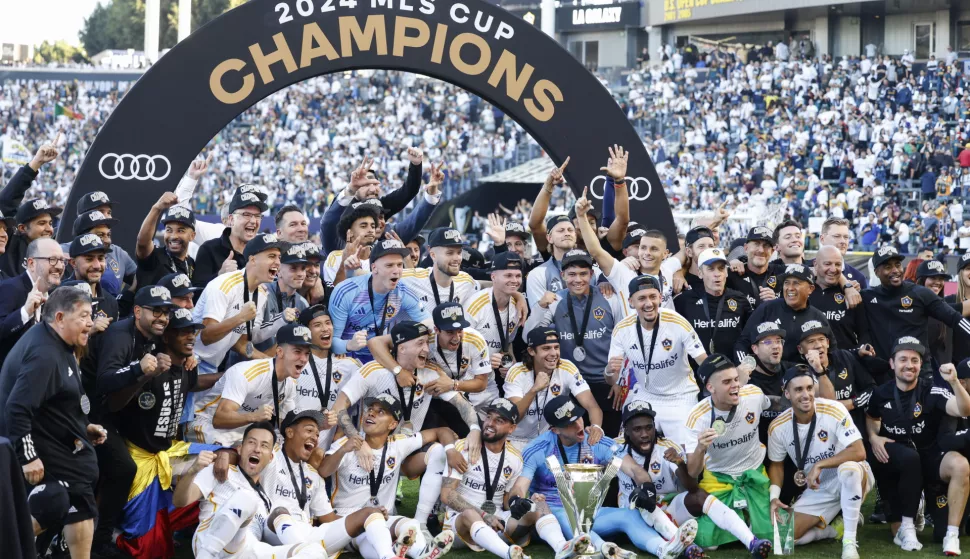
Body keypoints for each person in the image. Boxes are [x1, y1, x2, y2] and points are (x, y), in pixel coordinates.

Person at [510, 395, 697, 559]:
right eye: (569, 424)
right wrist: (516, 500)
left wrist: (646, 487)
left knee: (629, 515)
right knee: (571, 517)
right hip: (553, 512)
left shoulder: (597, 441)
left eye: (579, 418)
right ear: (555, 430)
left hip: (591, 512)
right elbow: (520, 485)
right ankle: (603, 550)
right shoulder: (538, 448)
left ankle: (662, 549)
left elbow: (634, 469)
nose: (579, 426)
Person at [341, 321, 483, 531]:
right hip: (371, 451)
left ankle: (421, 524)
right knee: (369, 518)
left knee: (440, 452)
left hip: (406, 448)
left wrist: (475, 429)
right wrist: (357, 441)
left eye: (427, 343)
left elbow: (463, 405)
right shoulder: (373, 370)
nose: (427, 349)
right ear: (402, 346)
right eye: (421, 343)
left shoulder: (430, 374)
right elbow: (338, 408)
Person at [0, 287, 105, 559]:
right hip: (43, 453)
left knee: (78, 504)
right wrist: (28, 457)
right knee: (54, 502)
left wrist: (83, 427)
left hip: (64, 451)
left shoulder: (60, 344)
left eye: (91, 315)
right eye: (83, 316)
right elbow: (17, 408)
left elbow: (56, 401)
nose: (90, 323)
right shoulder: (44, 354)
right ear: (59, 317)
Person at [113, 307, 221, 558]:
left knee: (229, 457)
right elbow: (114, 404)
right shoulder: (148, 367)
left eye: (192, 332)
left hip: (170, 450)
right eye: (183, 332)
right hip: (140, 458)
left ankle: (180, 528)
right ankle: (116, 531)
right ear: (166, 337)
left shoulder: (188, 366)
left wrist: (232, 374)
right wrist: (143, 375)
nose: (190, 337)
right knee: (148, 548)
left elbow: (195, 383)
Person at [617, 400, 768, 559]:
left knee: (699, 496)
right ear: (626, 431)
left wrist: (679, 463)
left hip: (669, 509)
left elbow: (692, 487)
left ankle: (752, 542)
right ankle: (688, 548)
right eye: (637, 429)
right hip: (633, 516)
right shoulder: (616, 448)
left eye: (649, 427)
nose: (645, 434)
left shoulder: (667, 447)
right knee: (646, 502)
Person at [87, 285, 176, 554]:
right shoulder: (120, 335)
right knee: (123, 467)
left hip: (118, 412)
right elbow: (104, 382)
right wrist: (138, 369)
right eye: (156, 311)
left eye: (166, 313)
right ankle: (100, 540)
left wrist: (189, 359)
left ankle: (113, 532)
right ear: (137, 311)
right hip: (92, 412)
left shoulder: (153, 334)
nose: (162, 318)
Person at [319, 393, 457, 559]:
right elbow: (324, 471)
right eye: (370, 409)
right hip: (346, 521)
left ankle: (421, 553)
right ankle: (394, 554)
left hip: (383, 519)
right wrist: (343, 450)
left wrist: (451, 450)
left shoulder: (397, 443)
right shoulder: (346, 444)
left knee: (410, 524)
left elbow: (441, 431)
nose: (371, 413)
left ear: (392, 424)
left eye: (381, 412)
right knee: (369, 536)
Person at [866, 337, 970, 553]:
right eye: (903, 359)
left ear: (920, 365)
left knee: (960, 466)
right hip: (900, 463)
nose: (909, 365)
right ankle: (908, 522)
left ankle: (951, 536)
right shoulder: (881, 393)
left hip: (931, 459)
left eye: (914, 360)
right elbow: (872, 417)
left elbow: (963, 410)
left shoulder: (932, 390)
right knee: (897, 534)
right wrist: (874, 437)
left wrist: (954, 382)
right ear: (892, 363)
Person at [261, 409, 409, 559]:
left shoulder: (313, 474)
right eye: (309, 430)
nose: (314, 437)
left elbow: (329, 519)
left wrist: (366, 520)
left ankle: (388, 556)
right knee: (280, 512)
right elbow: (246, 454)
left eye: (317, 434)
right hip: (273, 528)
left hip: (306, 533)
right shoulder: (270, 458)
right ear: (290, 432)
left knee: (369, 512)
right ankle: (306, 551)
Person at [172, 422, 325, 559]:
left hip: (247, 550)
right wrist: (193, 471)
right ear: (239, 449)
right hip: (210, 539)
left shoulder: (266, 500)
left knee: (315, 551)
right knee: (245, 498)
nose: (257, 449)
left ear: (271, 457)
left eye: (264, 445)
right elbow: (180, 501)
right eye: (252, 443)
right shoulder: (222, 471)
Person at [767, 364, 872, 559]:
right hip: (818, 487)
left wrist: (819, 465)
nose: (806, 394)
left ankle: (849, 544)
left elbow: (859, 452)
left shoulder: (833, 409)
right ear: (787, 394)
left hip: (850, 475)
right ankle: (834, 530)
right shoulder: (778, 427)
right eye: (798, 390)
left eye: (809, 388)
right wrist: (774, 497)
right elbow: (776, 464)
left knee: (849, 470)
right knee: (783, 538)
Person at [524, 249, 626, 435]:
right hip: (572, 384)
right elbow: (528, 336)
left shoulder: (610, 298)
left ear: (592, 274)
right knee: (573, 440)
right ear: (563, 276)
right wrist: (540, 306)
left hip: (607, 383)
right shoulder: (555, 301)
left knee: (606, 439)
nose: (577, 280)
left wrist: (619, 379)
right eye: (571, 274)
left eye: (583, 274)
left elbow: (624, 338)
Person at [684, 354, 776, 551]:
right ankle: (742, 518)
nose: (735, 385)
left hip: (753, 474)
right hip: (719, 478)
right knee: (709, 543)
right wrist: (701, 448)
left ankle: (749, 518)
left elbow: (773, 404)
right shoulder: (697, 417)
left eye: (736, 379)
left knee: (770, 535)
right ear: (710, 388)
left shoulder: (753, 395)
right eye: (727, 382)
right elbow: (692, 472)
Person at [607, 275, 707, 445]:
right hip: (645, 395)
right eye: (642, 298)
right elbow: (611, 379)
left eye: (653, 297)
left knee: (686, 452)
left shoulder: (677, 322)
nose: (648, 303)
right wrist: (609, 371)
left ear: (660, 298)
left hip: (680, 396)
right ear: (631, 301)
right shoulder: (622, 329)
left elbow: (703, 361)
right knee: (626, 448)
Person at [187, 323, 319, 445]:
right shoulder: (248, 373)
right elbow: (219, 419)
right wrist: (254, 416)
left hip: (241, 432)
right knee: (230, 454)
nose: (303, 359)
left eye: (307, 354)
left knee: (279, 449)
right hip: (205, 422)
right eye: (297, 352)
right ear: (279, 352)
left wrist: (314, 427)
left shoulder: (289, 384)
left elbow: (287, 424)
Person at [438, 399, 536, 559]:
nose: (490, 423)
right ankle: (508, 553)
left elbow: (506, 500)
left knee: (537, 511)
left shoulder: (515, 457)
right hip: (460, 523)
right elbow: (447, 495)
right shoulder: (464, 448)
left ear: (512, 428)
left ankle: (564, 546)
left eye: (499, 420)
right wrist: (484, 515)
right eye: (489, 417)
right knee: (470, 514)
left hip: (496, 521)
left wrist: (518, 503)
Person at [861, 245, 970, 368]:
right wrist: (847, 287)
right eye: (888, 267)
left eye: (897, 265)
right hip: (883, 374)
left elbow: (954, 317)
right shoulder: (867, 297)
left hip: (919, 375)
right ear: (876, 272)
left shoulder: (920, 293)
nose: (895, 270)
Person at [328, 238, 433, 362]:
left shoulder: (402, 291)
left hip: (379, 355)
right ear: (374, 268)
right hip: (346, 357)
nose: (396, 271)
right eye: (389, 265)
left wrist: (393, 338)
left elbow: (429, 323)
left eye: (399, 265)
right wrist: (349, 345)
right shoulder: (346, 291)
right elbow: (331, 343)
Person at [192, 233, 283, 374]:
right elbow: (206, 337)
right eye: (271, 256)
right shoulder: (225, 285)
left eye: (279, 257)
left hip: (211, 366)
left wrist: (269, 362)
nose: (278, 262)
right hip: (191, 362)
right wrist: (240, 317)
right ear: (252, 259)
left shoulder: (261, 295)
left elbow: (241, 344)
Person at [504, 328, 605, 449]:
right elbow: (514, 417)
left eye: (556, 347)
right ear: (531, 351)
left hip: (550, 439)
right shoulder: (516, 371)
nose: (553, 353)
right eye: (546, 348)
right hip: (517, 439)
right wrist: (534, 390)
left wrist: (596, 427)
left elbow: (592, 406)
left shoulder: (567, 367)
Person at [295, 305, 361, 451]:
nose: (325, 329)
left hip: (327, 449)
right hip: (293, 441)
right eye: (317, 325)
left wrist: (343, 432)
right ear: (306, 331)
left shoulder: (349, 366)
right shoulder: (296, 362)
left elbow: (360, 408)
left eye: (328, 323)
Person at [736, 263, 831, 363]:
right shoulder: (767, 308)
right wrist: (747, 370)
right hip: (769, 375)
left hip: (804, 375)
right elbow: (743, 343)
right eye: (786, 283)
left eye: (796, 283)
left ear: (810, 289)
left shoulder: (818, 317)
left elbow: (831, 351)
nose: (790, 288)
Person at [464, 252, 525, 401]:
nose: (514, 281)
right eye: (508, 275)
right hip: (466, 380)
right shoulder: (475, 306)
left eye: (518, 276)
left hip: (489, 380)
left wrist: (510, 361)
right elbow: (457, 348)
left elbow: (507, 342)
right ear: (493, 277)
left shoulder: (516, 307)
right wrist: (484, 360)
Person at [674, 248, 753, 359]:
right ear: (700, 273)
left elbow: (749, 336)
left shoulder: (740, 299)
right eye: (710, 269)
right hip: (696, 371)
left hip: (731, 370)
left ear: (726, 272)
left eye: (721, 269)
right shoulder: (683, 301)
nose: (717, 274)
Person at [0, 238, 65, 365]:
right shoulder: (10, 288)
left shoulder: (54, 296)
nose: (59, 266)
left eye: (62, 260)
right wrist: (25, 311)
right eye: (52, 259)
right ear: (31, 264)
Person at [192, 187, 269, 290]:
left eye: (257, 216)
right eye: (246, 215)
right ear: (231, 220)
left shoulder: (262, 254)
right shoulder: (209, 249)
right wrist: (220, 276)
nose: (253, 221)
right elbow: (195, 295)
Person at [400, 227, 480, 311]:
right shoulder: (409, 279)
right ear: (433, 255)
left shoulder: (466, 281)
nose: (457, 258)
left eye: (459, 252)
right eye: (450, 253)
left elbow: (486, 284)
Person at [809, 245, 871, 351]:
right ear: (815, 264)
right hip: (809, 362)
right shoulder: (805, 292)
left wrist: (855, 357)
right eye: (827, 264)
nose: (833, 269)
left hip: (844, 363)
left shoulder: (852, 294)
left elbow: (865, 334)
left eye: (838, 264)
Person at [254, 242, 310, 353]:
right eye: (293, 269)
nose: (300, 274)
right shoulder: (261, 293)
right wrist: (281, 319)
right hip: (250, 364)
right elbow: (251, 337)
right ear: (278, 271)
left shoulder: (303, 304)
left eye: (303, 269)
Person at [68, 209, 137, 298]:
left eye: (108, 235)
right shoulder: (61, 259)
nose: (107, 240)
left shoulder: (117, 254)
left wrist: (127, 296)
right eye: (100, 235)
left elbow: (138, 276)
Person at [135, 192, 197, 288]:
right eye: (169, 230)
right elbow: (142, 242)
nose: (173, 236)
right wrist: (157, 208)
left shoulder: (191, 263)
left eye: (180, 231)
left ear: (192, 236)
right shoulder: (154, 256)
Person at [66, 233, 118, 329]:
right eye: (89, 259)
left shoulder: (110, 302)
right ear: (73, 263)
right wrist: (88, 331)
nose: (97, 265)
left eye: (101, 258)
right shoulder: (59, 295)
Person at [323, 202, 380, 287]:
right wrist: (344, 262)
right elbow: (333, 294)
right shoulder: (335, 257)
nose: (371, 230)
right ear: (350, 232)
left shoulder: (382, 257)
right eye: (364, 226)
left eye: (372, 226)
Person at [526, 215, 578, 305]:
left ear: (575, 236)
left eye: (570, 230)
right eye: (561, 230)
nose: (567, 233)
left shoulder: (592, 269)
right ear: (549, 238)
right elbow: (539, 317)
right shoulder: (537, 274)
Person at [727, 226, 779, 310]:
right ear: (746, 248)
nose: (761, 250)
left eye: (766, 246)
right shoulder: (731, 274)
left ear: (772, 251)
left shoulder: (780, 273)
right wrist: (728, 263)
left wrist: (776, 303)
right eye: (756, 244)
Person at [817, 217, 868, 288]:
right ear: (822, 239)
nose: (843, 241)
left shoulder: (858, 278)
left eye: (846, 237)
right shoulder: (807, 269)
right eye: (837, 236)